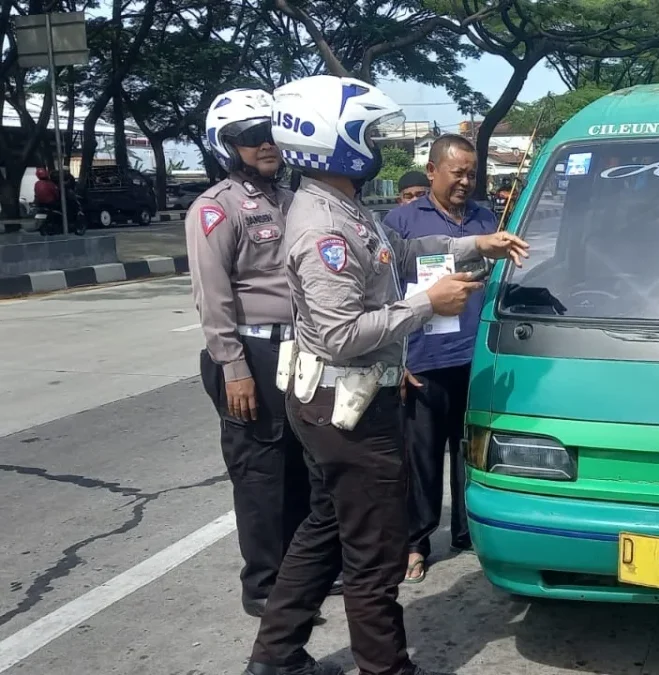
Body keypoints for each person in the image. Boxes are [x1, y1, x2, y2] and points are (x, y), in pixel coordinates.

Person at [245, 74, 529, 675]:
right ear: (335, 138)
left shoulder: (342, 205)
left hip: (336, 399)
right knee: (374, 554)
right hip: (347, 405)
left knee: (325, 525)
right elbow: (341, 333)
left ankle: (275, 657)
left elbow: (400, 255)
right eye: (368, 131)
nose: (376, 142)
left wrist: (479, 243)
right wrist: (431, 305)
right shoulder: (323, 226)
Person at [186, 88, 342, 622]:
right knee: (261, 476)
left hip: (299, 349)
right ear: (227, 145)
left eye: (270, 133)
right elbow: (213, 296)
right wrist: (234, 368)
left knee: (305, 466)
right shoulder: (216, 208)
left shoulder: (294, 199)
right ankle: (265, 587)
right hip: (251, 352)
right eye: (250, 138)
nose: (265, 145)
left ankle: (303, 574)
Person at [381, 134, 497, 584]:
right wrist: (397, 358)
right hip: (424, 360)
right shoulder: (401, 221)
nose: (466, 181)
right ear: (432, 171)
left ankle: (470, 532)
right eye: (457, 172)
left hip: (477, 358)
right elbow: (386, 294)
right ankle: (416, 540)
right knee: (421, 457)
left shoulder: (485, 218)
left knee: (471, 451)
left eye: (472, 173)